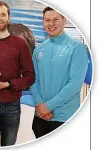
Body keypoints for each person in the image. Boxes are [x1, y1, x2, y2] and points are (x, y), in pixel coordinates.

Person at [0, 1, 35, 147]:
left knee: (8, 147)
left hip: (12, 105)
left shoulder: (20, 44)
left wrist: (8, 84)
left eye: (3, 14)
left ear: (9, 17)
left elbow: (30, 77)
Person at [30, 7, 88, 138]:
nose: (51, 24)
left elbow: (75, 83)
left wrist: (48, 106)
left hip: (65, 118)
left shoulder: (77, 47)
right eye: (47, 20)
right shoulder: (39, 49)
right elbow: (33, 79)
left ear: (64, 20)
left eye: (55, 19)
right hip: (40, 117)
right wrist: (40, 105)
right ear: (43, 23)